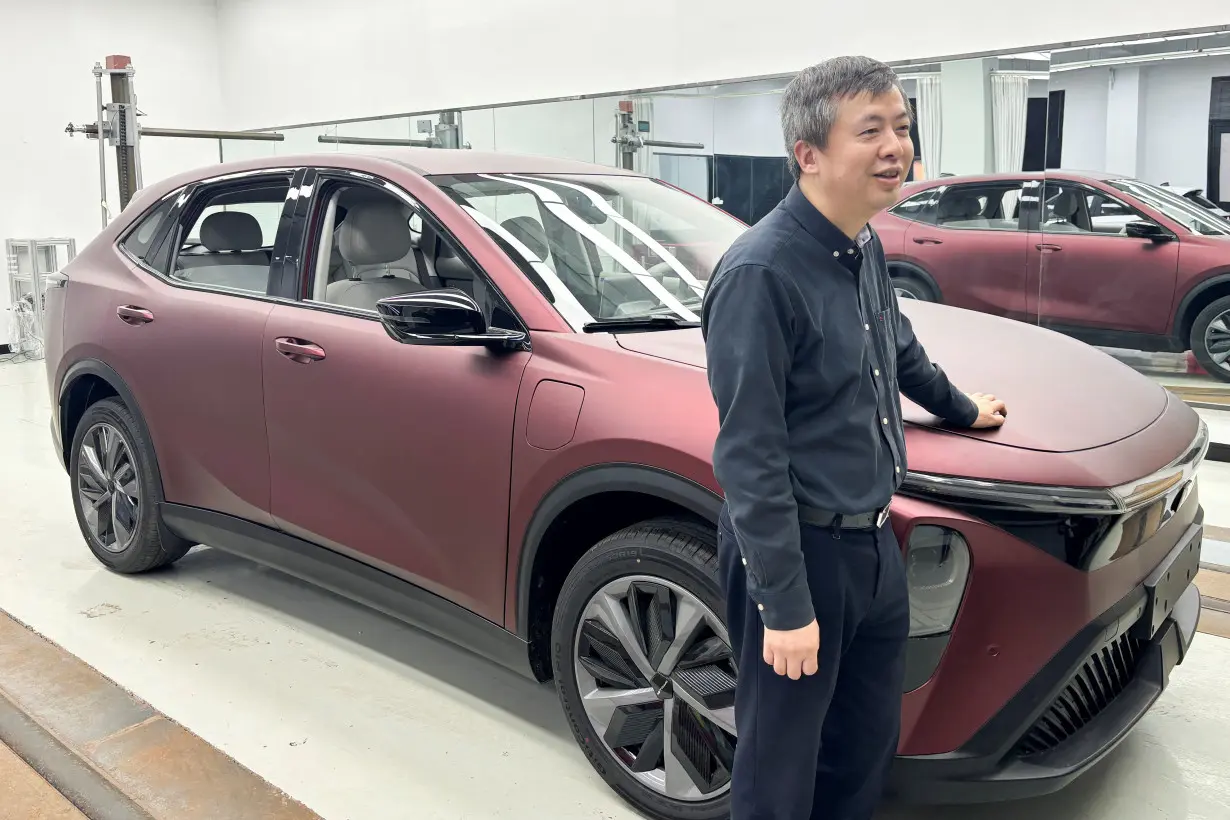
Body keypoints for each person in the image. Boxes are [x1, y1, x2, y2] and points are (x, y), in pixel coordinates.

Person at [701, 56, 1007, 820]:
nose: (895, 146)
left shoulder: (861, 244)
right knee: (780, 765)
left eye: (901, 127)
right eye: (869, 130)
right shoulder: (760, 275)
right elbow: (749, 454)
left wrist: (960, 407)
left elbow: (895, 349)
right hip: (799, 553)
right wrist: (784, 606)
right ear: (808, 153)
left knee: (863, 747)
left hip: (872, 545)